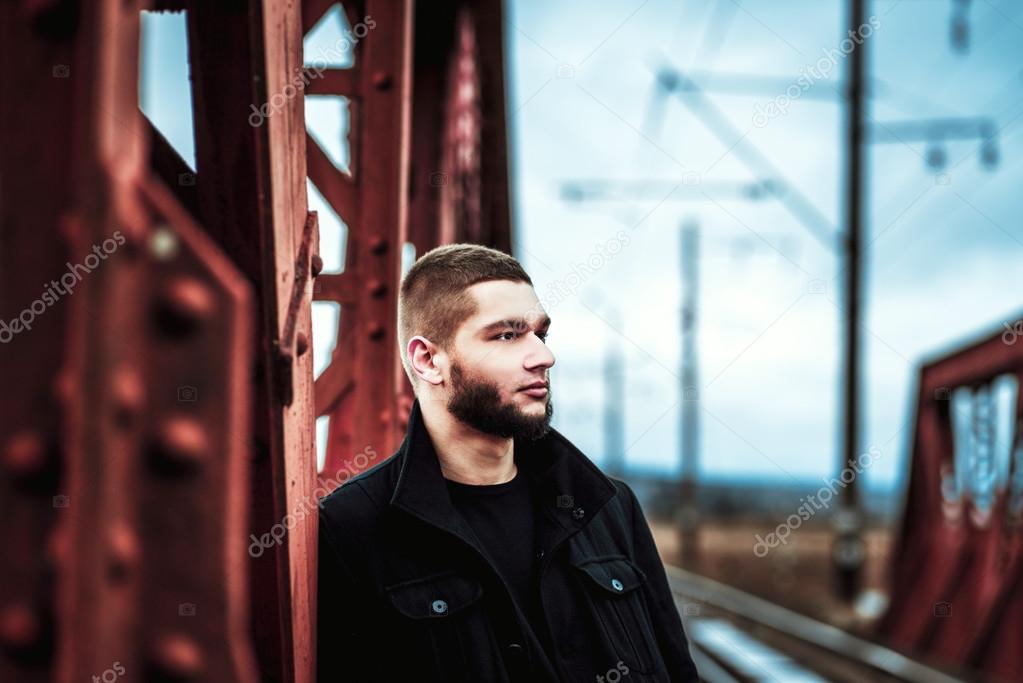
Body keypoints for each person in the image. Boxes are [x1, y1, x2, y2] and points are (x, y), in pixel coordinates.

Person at [317, 243, 700, 682]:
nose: (543, 356)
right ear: (428, 360)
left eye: (541, 334)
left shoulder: (608, 508)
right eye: (506, 335)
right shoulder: (353, 528)